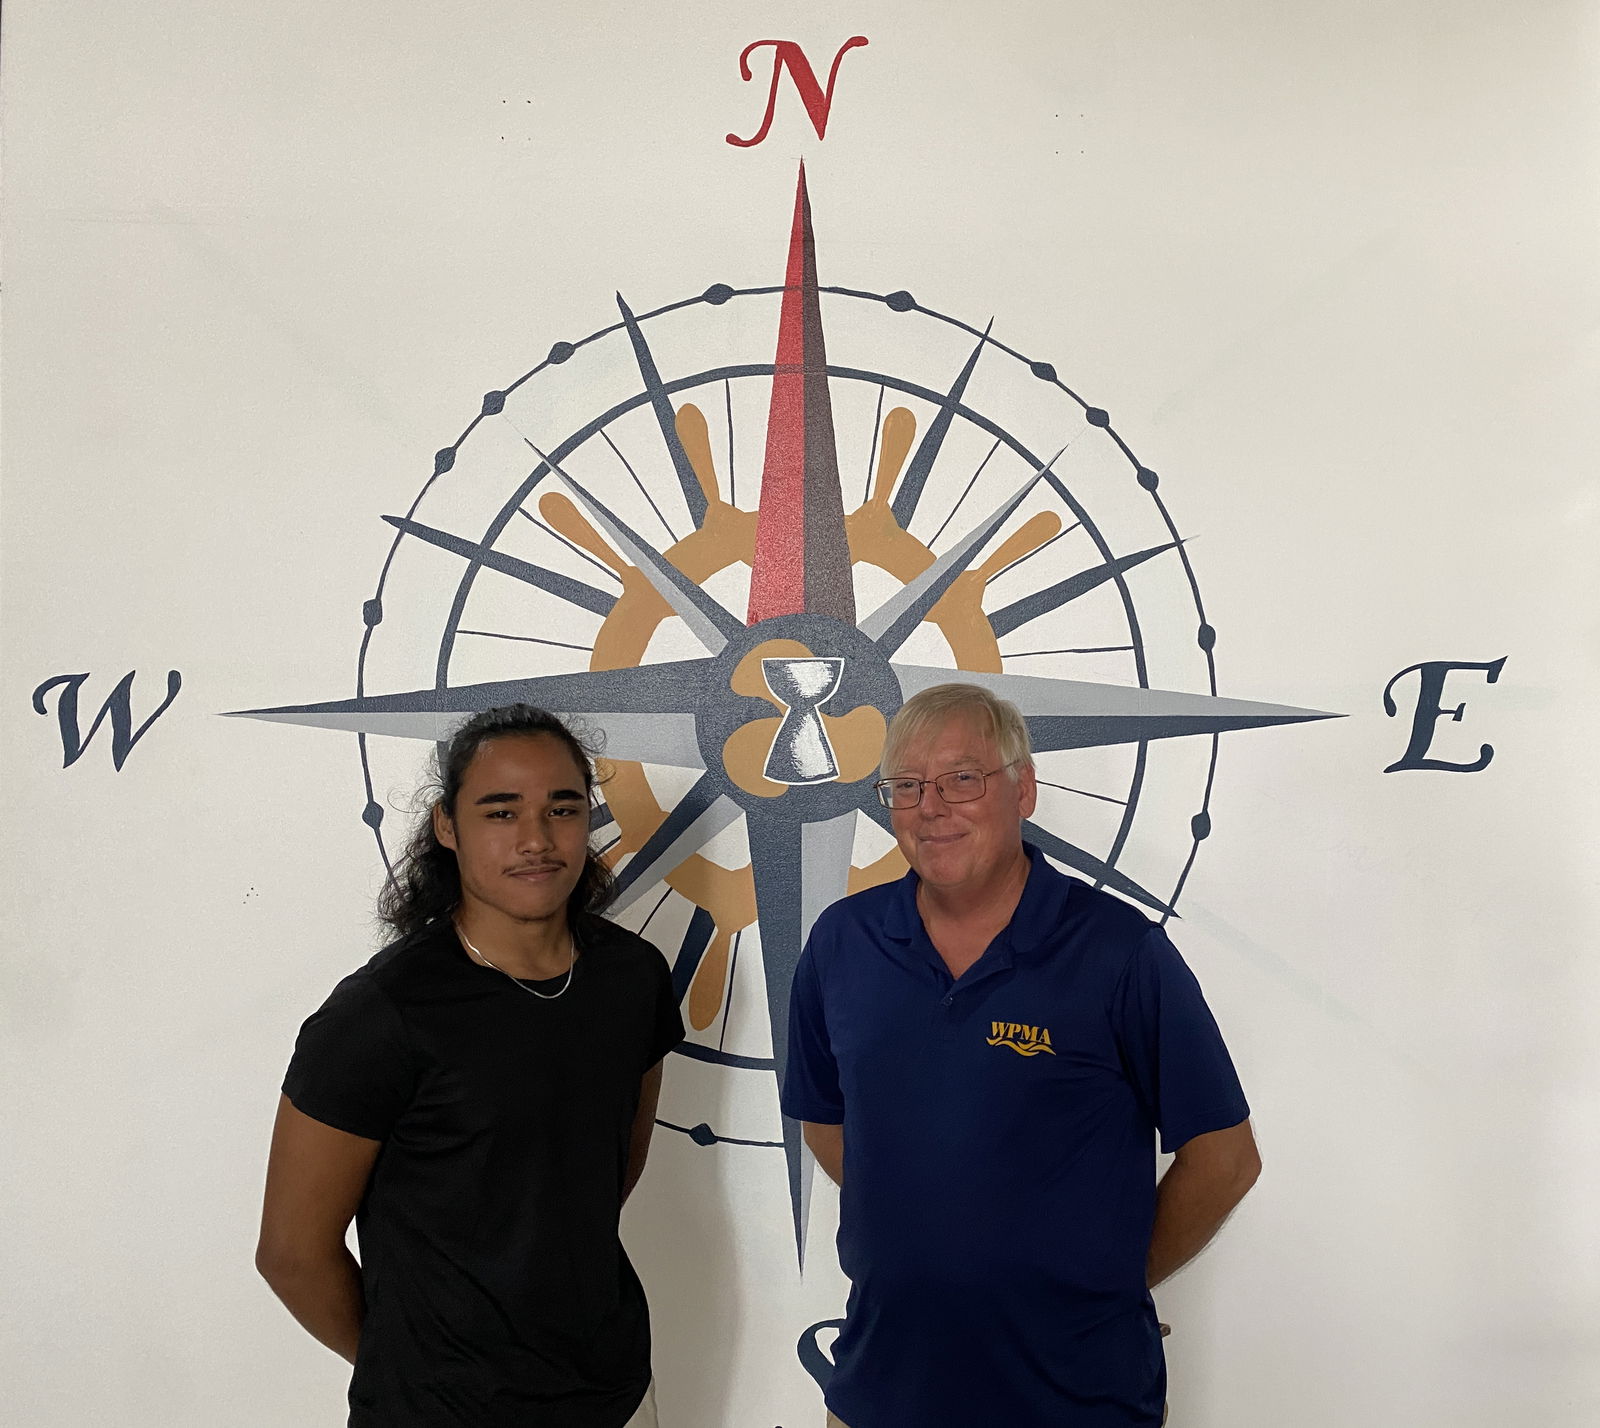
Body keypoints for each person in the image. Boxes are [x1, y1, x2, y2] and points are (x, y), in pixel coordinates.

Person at [783, 683, 1261, 1428]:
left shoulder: (1120, 952)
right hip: (882, 1390)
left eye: (961, 780)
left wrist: (1107, 1287)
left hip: (1075, 1401)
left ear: (1024, 789)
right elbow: (827, 1124)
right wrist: (932, 1225)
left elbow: (1226, 1158)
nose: (931, 807)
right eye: (906, 787)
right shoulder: (842, 944)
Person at [256, 705, 683, 1428]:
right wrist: (416, 1367)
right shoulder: (381, 1015)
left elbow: (607, 1174)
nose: (536, 839)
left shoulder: (631, 977)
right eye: (500, 811)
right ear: (447, 828)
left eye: (562, 808)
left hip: (610, 1393)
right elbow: (292, 1254)